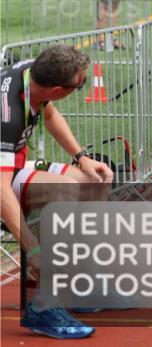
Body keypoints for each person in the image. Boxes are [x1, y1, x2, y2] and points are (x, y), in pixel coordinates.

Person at [1, 45, 114, 339]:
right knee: (64, 193)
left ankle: (78, 285)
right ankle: (44, 305)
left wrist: (82, 157)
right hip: (2, 178)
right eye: (80, 86)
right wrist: (32, 248)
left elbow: (49, 116)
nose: (82, 88)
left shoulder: (31, 74)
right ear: (58, 90)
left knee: (92, 183)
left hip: (12, 166)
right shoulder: (8, 113)